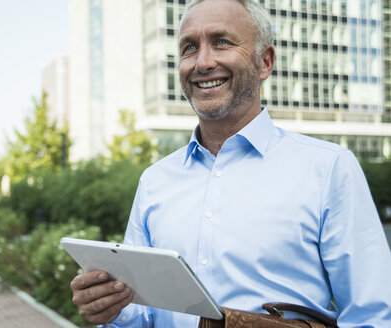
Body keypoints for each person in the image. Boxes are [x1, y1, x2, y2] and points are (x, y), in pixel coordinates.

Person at [70, 0, 391, 327]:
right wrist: (111, 309)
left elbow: (374, 317)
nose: (203, 62)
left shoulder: (330, 169)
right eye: (189, 47)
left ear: (265, 62)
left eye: (221, 42)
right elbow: (142, 315)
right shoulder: (154, 182)